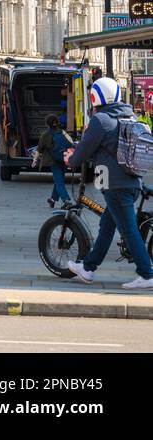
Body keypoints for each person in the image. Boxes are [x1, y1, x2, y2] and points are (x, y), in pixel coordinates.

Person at [65, 78, 153, 289]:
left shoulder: (101, 119)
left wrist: (71, 159)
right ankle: (88, 268)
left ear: (96, 96)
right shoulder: (129, 116)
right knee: (106, 226)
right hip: (131, 181)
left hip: (114, 184)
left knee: (128, 230)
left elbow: (85, 149)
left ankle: (147, 274)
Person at [38, 114, 73, 208]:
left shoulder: (45, 135)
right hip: (64, 159)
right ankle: (52, 199)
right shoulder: (63, 132)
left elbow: (39, 149)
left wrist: (34, 160)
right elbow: (71, 143)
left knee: (59, 182)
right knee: (59, 180)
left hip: (54, 161)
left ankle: (66, 201)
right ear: (57, 123)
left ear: (47, 124)